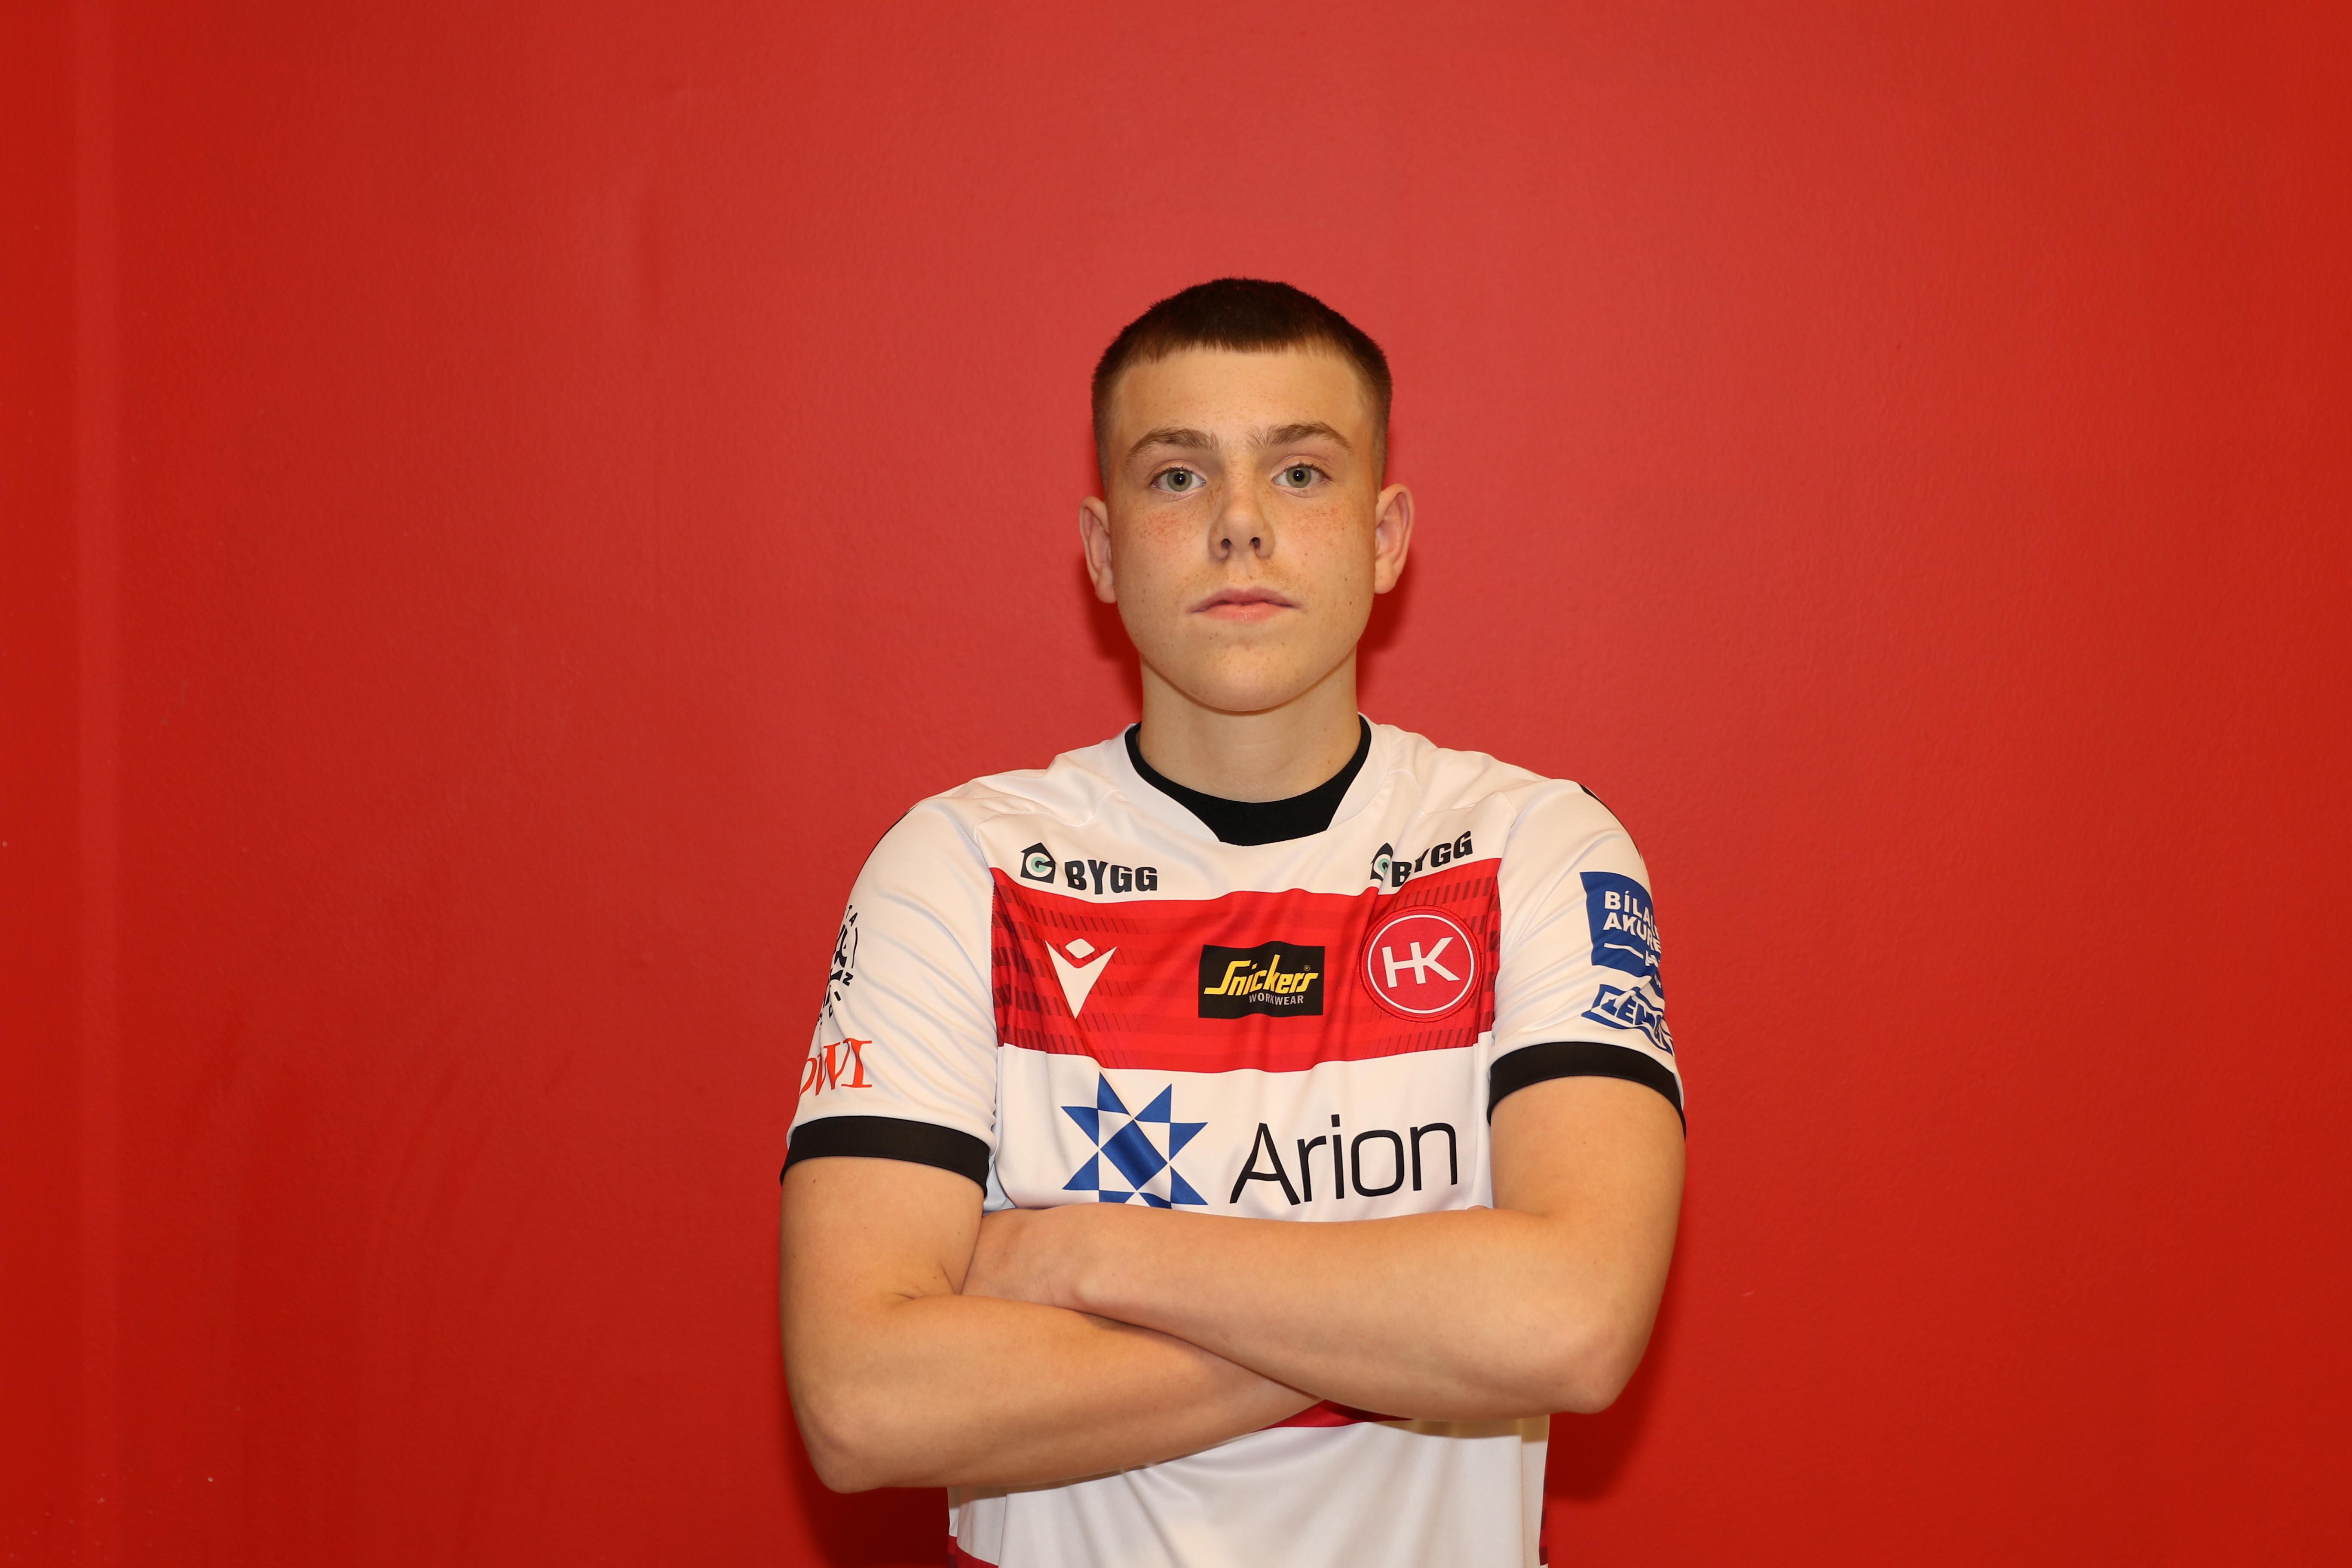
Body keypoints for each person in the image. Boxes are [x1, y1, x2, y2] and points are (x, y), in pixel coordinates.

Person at [778, 278, 1685, 1568]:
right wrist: (1416, 1323)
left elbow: (1571, 1327)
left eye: (1301, 473)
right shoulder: (961, 867)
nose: (1241, 524)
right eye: (1178, 477)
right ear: (1104, 552)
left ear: (1386, 536)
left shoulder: (1533, 847)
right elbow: (862, 1402)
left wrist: (1085, 1254)